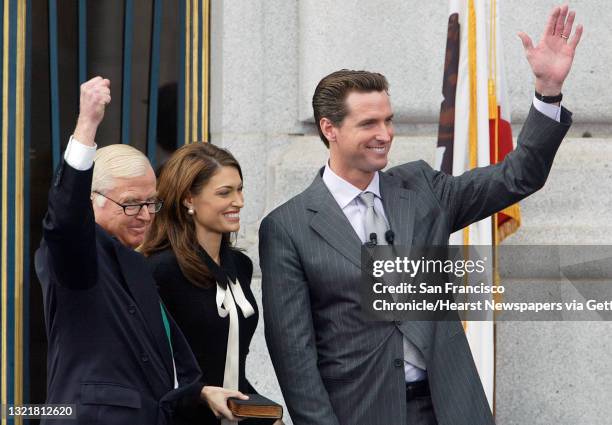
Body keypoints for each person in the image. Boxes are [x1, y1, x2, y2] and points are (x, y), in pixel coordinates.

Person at [259, 5, 582, 425]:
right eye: (369, 123)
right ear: (329, 129)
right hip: (361, 412)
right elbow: (294, 357)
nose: (385, 134)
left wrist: (548, 92)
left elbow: (518, 176)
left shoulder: (422, 188)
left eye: (389, 120)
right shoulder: (289, 226)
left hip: (449, 407)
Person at [35, 77, 246, 424]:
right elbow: (64, 219)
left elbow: (154, 362)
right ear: (92, 201)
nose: (146, 215)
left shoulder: (134, 262)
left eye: (152, 202)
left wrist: (201, 391)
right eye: (132, 204)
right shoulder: (76, 258)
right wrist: (86, 125)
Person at [142, 143, 282, 425]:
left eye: (240, 189)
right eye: (225, 193)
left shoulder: (240, 267)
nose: (239, 201)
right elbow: (151, 367)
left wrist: (266, 417)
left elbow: (230, 366)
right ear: (188, 200)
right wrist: (201, 394)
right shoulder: (161, 270)